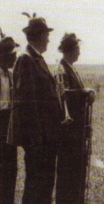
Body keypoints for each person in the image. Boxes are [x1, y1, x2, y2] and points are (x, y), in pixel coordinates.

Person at [7, 13, 62, 204]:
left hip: (46, 137)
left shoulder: (36, 58)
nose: (48, 39)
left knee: (44, 185)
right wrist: (36, 140)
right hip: (38, 139)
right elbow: (26, 103)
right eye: (46, 34)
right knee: (36, 186)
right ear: (39, 36)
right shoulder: (26, 59)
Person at [55, 33, 95, 203]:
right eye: (77, 49)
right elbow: (63, 95)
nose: (79, 52)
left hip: (77, 130)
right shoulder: (61, 69)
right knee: (69, 172)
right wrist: (84, 92)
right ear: (69, 50)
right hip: (69, 133)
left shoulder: (71, 68)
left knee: (78, 170)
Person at [0, 35, 19, 204]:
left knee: (10, 170)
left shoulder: (12, 75)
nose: (15, 59)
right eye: (12, 55)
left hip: (10, 126)